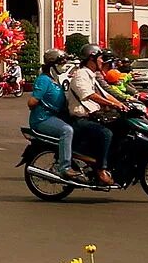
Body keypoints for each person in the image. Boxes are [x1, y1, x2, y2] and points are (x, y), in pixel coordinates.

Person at [66, 45, 127, 185]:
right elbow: (89, 95)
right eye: (100, 58)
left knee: (122, 128)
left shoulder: (91, 75)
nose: (102, 61)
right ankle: (101, 169)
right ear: (91, 59)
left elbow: (105, 94)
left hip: (93, 116)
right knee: (106, 133)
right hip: (81, 119)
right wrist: (113, 105)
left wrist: (123, 104)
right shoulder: (81, 75)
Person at [28, 49, 84, 183]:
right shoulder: (44, 80)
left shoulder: (56, 79)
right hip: (43, 119)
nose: (64, 65)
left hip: (56, 117)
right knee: (67, 130)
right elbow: (32, 102)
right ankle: (64, 167)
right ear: (52, 64)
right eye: (61, 63)